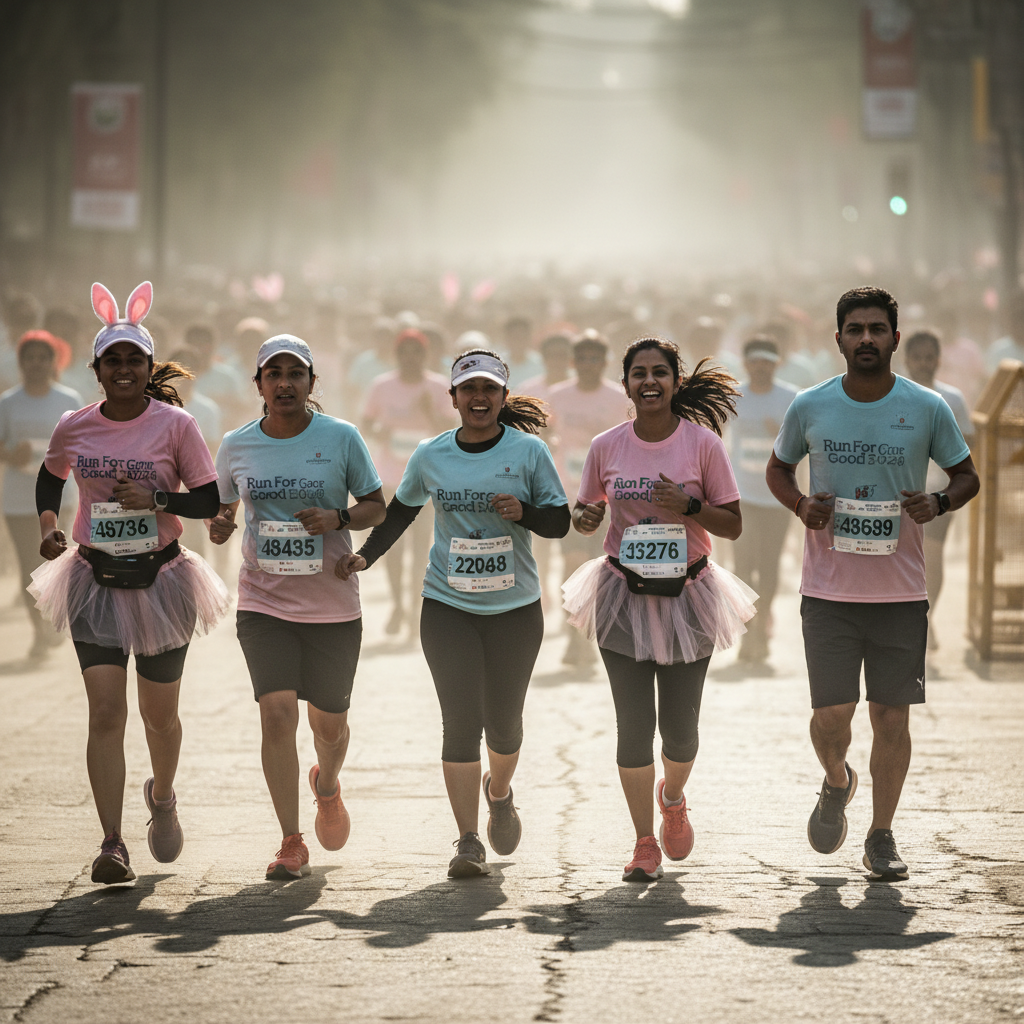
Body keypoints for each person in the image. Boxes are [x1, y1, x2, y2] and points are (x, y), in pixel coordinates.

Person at [766, 286, 978, 881]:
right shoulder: (810, 405)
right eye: (855, 329)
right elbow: (778, 468)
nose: (866, 339)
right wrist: (800, 503)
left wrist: (938, 502)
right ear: (838, 339)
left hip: (900, 593)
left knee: (891, 718)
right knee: (832, 717)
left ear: (894, 338)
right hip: (828, 590)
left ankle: (881, 835)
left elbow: (966, 475)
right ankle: (837, 781)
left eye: (877, 329)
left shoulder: (928, 407)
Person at [336, 348, 569, 878]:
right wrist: (365, 556)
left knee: (504, 725)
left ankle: (499, 792)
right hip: (448, 605)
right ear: (454, 398)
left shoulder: (529, 452)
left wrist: (524, 512)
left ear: (503, 397)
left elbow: (559, 522)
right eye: (469, 389)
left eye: (489, 389)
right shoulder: (431, 454)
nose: (478, 397)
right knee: (460, 722)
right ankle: (467, 840)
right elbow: (400, 513)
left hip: (514, 609)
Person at [29, 281, 229, 885]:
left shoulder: (177, 426)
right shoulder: (75, 425)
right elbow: (50, 477)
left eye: (134, 359)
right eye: (112, 359)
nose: (123, 369)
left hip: (162, 580)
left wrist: (156, 499)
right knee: (105, 712)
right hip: (92, 577)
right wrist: (48, 525)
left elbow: (208, 501)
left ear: (148, 367)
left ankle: (162, 796)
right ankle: (112, 841)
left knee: (158, 716)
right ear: (96, 370)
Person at [563, 339, 756, 882]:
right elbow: (587, 509)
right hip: (621, 594)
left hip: (689, 597)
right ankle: (644, 842)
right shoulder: (606, 445)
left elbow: (733, 524)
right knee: (632, 726)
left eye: (659, 373)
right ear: (625, 384)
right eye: (639, 374)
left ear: (675, 381)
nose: (649, 382)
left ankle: (672, 797)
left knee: (680, 732)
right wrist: (584, 518)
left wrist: (689, 505)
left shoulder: (703, 445)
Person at [209, 334, 385, 881]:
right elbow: (223, 507)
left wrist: (339, 519)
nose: (284, 383)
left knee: (329, 727)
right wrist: (220, 524)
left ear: (311, 382)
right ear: (259, 384)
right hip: (263, 602)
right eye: (274, 374)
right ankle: (290, 839)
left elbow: (376, 507)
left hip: (332, 605)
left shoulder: (341, 437)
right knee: (277, 714)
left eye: (295, 374)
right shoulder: (237, 444)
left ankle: (326, 786)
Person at [361, 329, 456, 640]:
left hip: (427, 478)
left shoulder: (438, 387)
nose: (411, 358)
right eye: (406, 352)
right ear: (397, 355)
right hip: (391, 477)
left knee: (420, 546)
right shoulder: (382, 386)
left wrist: (428, 411)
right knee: (392, 544)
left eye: (417, 352)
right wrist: (381, 433)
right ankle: (398, 604)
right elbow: (366, 422)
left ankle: (416, 608)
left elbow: (451, 431)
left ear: (426, 355)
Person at [546, 330, 631, 666]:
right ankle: (574, 638)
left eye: (595, 359)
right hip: (569, 496)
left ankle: (589, 634)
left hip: (609, 500)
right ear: (573, 362)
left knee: (600, 571)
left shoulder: (618, 399)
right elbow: (544, 434)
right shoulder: (557, 396)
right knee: (572, 564)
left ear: (605, 362)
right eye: (582, 359)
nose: (588, 365)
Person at [0, 331, 81, 657]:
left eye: (42, 357)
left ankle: (55, 621)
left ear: (54, 361)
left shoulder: (69, 400)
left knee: (56, 563)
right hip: (19, 498)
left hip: (60, 495)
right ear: (21, 362)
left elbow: (84, 445)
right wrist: (10, 455)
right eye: (30, 357)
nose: (36, 363)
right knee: (29, 567)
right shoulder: (7, 403)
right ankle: (39, 633)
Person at [729, 336, 799, 666]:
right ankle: (749, 630)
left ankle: (762, 624)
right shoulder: (732, 397)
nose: (761, 367)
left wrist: (780, 435)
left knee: (769, 565)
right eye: (755, 361)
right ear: (745, 364)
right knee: (743, 564)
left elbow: (806, 445)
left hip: (777, 495)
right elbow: (714, 442)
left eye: (767, 362)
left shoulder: (792, 398)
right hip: (740, 496)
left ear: (777, 364)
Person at [901, 329, 975, 639]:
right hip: (900, 491)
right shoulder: (895, 395)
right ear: (906, 360)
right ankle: (904, 618)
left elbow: (968, 442)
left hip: (938, 493)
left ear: (938, 360)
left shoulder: (952, 399)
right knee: (901, 558)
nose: (923, 363)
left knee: (932, 557)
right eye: (917, 358)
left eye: (929, 357)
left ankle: (925, 619)